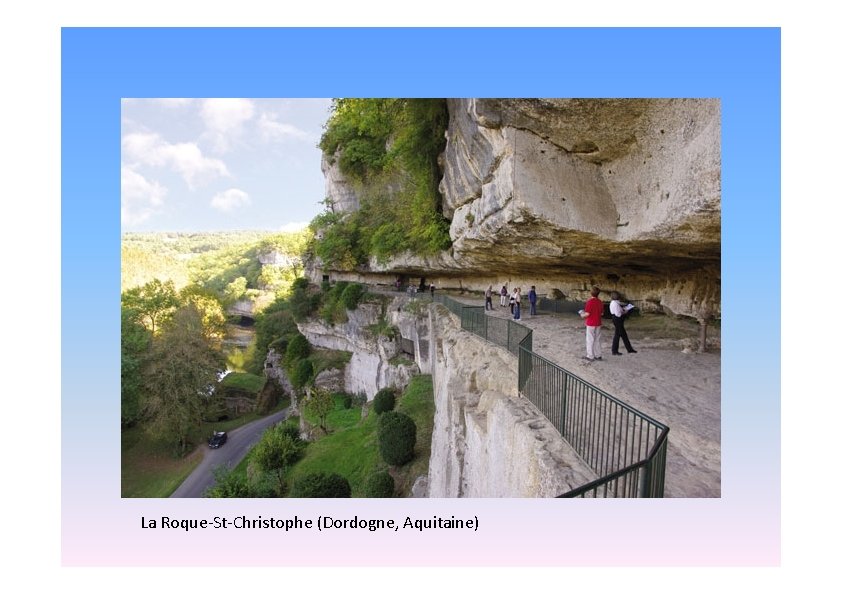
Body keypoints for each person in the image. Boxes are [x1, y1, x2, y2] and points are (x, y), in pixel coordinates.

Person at [609, 291, 637, 355]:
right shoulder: (615, 304)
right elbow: (618, 314)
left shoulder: (614, 303)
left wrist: (623, 309)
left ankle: (629, 349)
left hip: (616, 319)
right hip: (617, 319)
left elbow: (619, 310)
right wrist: (625, 311)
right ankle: (614, 351)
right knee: (617, 335)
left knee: (623, 335)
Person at [582, 286, 604, 361]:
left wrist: (582, 315)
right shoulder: (600, 302)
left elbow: (587, 314)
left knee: (590, 339)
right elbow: (601, 314)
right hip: (598, 323)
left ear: (591, 293)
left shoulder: (589, 302)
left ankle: (590, 356)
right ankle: (598, 355)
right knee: (597, 339)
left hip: (591, 323)